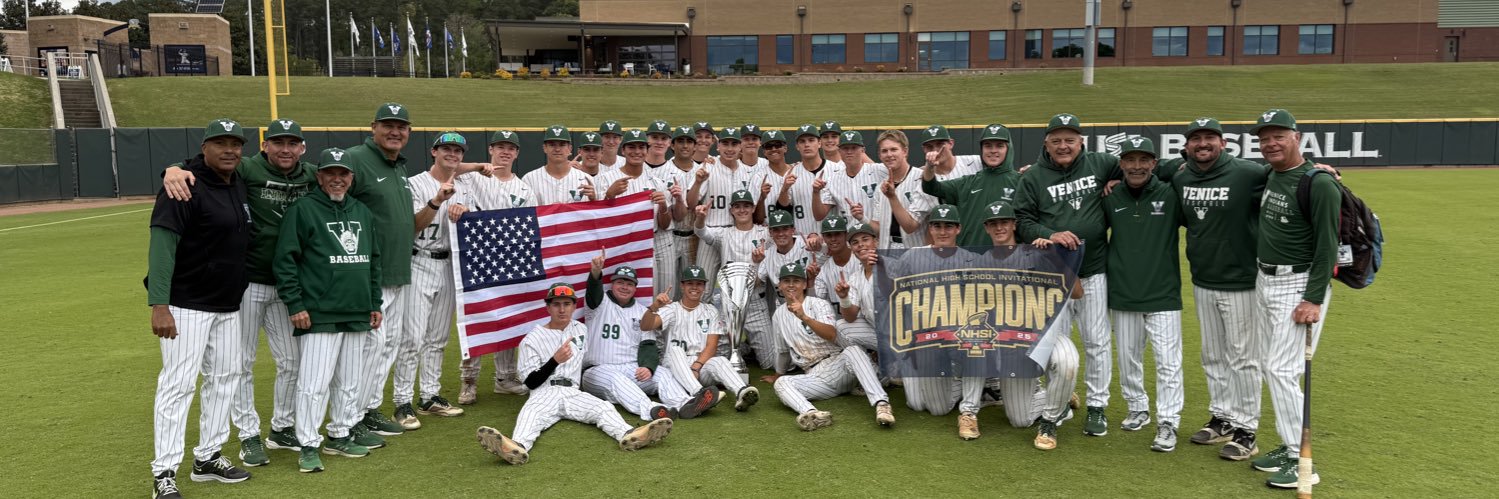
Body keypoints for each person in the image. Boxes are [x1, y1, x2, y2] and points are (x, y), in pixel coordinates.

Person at [159, 118, 315, 466]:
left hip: (288, 283)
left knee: (291, 361)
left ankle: (282, 427)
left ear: (302, 147)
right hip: (246, 283)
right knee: (240, 362)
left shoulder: (312, 175)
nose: (285, 149)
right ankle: (248, 435)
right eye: (278, 142)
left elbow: (344, 176)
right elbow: (205, 162)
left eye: (293, 143)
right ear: (265, 146)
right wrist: (172, 168)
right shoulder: (247, 167)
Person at [147, 119, 254, 498]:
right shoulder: (183, 185)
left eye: (236, 143)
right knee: (177, 385)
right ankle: (164, 472)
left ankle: (207, 456)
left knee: (225, 379)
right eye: (220, 143)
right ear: (204, 148)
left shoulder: (237, 181)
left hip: (228, 303)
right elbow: (162, 246)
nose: (230, 150)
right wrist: (159, 304)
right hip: (186, 303)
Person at [1160, 117, 1271, 460]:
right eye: (1196, 139)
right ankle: (1222, 417)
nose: (1203, 144)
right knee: (1212, 355)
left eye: (1210, 138)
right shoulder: (1180, 173)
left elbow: (1290, 173)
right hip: (1203, 277)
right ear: (1187, 145)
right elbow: (1152, 168)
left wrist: (1321, 168)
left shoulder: (1248, 172)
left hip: (1241, 280)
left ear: (1223, 143)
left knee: (1243, 357)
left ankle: (1247, 429)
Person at [474, 283, 674, 465]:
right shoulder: (532, 339)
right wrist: (554, 361)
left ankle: (630, 435)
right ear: (548, 307)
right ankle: (516, 447)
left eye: (567, 304)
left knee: (603, 408)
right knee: (531, 414)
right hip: (545, 392)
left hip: (573, 392)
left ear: (573, 306)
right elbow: (531, 382)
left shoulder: (581, 330)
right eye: (556, 304)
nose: (562, 309)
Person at [273, 147, 385, 473]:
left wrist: (374, 302)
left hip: (356, 309)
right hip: (319, 311)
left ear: (351, 178)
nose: (337, 179)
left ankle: (340, 432)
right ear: (319, 176)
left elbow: (372, 260)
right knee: (314, 383)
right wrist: (295, 304)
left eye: (343, 174)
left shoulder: (361, 211)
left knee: (349, 379)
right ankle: (308, 443)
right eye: (330, 173)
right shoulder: (303, 210)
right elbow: (285, 260)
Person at [1014, 113, 1121, 438]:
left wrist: (1116, 181)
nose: (1064, 146)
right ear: (1046, 143)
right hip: (1054, 275)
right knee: (1053, 346)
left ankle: (1098, 406)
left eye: (1070, 140)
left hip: (1093, 271)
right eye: (1057, 140)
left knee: (1097, 341)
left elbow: (1140, 170)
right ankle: (1057, 404)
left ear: (1081, 142)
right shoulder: (1033, 177)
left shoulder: (1101, 163)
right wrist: (1050, 232)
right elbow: (1022, 219)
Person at [1249, 109, 1338, 489]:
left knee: (1281, 370)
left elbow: (1327, 247)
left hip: (1298, 283)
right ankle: (1288, 448)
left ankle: (1302, 460)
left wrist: (1313, 299)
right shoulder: (1272, 173)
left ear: (1296, 137)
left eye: (1278, 136)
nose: (1270, 143)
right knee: (1276, 367)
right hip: (1264, 279)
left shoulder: (1319, 184)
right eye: (1264, 138)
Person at [973, 201, 1082, 450]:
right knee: (1020, 420)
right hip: (1012, 343)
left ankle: (1050, 422)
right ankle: (1060, 398)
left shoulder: (1037, 252)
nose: (999, 227)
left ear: (1014, 224)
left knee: (1068, 362)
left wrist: (1053, 259)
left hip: (1044, 334)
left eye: (1004, 222)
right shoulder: (980, 263)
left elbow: (1076, 293)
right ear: (986, 228)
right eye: (993, 223)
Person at [342, 103, 419, 440]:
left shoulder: (398, 165)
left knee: (388, 346)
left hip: (398, 270)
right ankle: (349, 417)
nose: (395, 131)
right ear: (372, 127)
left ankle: (370, 408)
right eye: (388, 125)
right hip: (368, 274)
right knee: (367, 348)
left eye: (401, 126)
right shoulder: (355, 158)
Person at [1103, 137, 1184, 452]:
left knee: (1168, 362)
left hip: (1163, 293)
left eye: (1144, 160)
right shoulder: (1109, 197)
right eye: (1130, 160)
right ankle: (1137, 407)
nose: (1136, 166)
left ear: (1154, 163)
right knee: (1128, 357)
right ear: (1121, 164)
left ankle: (1168, 421)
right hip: (1123, 291)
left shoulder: (1170, 193)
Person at [391, 132, 471, 431]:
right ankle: (402, 400)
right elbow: (411, 226)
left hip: (449, 265)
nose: (453, 154)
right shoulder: (414, 183)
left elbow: (471, 227)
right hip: (419, 261)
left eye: (458, 150)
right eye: (447, 148)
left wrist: (465, 211)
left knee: (438, 338)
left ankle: (429, 396)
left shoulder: (465, 187)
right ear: (434, 151)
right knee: (411, 338)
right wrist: (437, 201)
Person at [458, 130, 537, 404]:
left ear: (517, 153)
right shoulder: (472, 176)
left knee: (508, 318)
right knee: (476, 319)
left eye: (510, 148)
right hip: (476, 258)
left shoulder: (525, 187)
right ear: (490, 149)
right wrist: (478, 166)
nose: (505, 151)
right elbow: (449, 168)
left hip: (511, 260)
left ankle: (505, 377)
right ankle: (469, 380)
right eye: (500, 146)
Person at [769, 262, 895, 431]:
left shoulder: (818, 304)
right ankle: (813, 414)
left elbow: (832, 334)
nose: (791, 285)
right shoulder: (778, 315)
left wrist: (804, 317)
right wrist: (778, 374)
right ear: (780, 285)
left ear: (805, 284)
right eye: (786, 281)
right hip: (816, 376)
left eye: (796, 280)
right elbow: (782, 350)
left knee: (853, 350)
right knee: (782, 384)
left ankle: (882, 403)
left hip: (839, 364)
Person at [641, 265, 758, 416]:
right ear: (682, 286)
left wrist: (696, 367)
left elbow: (711, 346)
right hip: (675, 366)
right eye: (690, 283)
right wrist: (655, 306)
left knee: (720, 360)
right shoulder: (671, 308)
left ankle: (741, 391)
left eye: (699, 284)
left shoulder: (710, 310)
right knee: (675, 350)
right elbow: (645, 326)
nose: (695, 287)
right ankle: (699, 393)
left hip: (699, 364)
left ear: (704, 287)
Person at [580, 260, 672, 422]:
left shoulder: (643, 311)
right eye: (620, 282)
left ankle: (684, 403)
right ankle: (650, 410)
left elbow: (648, 344)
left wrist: (648, 367)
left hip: (630, 369)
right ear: (612, 284)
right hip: (596, 370)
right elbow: (593, 290)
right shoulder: (598, 304)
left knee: (663, 373)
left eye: (629, 284)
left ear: (635, 288)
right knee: (616, 379)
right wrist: (595, 273)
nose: (624, 287)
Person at [694, 190, 774, 366]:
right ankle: (741, 348)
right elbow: (701, 232)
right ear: (731, 210)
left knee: (770, 362)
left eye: (746, 206)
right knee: (721, 357)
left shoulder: (765, 234)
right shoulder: (724, 233)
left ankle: (745, 347)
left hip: (755, 303)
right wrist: (700, 217)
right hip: (729, 303)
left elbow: (786, 239)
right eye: (737, 206)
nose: (742, 210)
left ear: (753, 208)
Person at [919, 123, 1020, 247]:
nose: (993, 150)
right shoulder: (967, 182)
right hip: (970, 258)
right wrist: (930, 167)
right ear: (982, 149)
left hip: (1006, 258)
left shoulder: (1020, 181)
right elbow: (931, 187)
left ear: (1008, 149)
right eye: (988, 146)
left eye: (999, 146)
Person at [687, 126, 762, 287]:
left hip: (737, 236)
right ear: (718, 146)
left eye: (734, 144)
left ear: (740, 146)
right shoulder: (708, 167)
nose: (729, 149)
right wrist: (698, 182)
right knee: (704, 289)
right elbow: (691, 203)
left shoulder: (748, 173)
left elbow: (753, 209)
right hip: (710, 232)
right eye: (725, 144)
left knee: (736, 287)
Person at [813, 131, 890, 248]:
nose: (849, 152)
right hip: (851, 243)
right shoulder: (832, 179)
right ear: (839, 151)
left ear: (862, 150)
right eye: (845, 148)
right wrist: (815, 193)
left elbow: (905, 172)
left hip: (879, 240)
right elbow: (819, 215)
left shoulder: (879, 170)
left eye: (854, 148)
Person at [766, 124, 830, 237]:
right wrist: (784, 189)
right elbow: (783, 209)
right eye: (802, 141)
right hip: (802, 239)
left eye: (811, 140)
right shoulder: (791, 174)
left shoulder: (836, 170)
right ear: (797, 146)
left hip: (832, 237)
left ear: (819, 143)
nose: (807, 145)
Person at [874, 129, 933, 249]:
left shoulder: (921, 180)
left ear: (905, 151)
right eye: (884, 151)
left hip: (915, 250)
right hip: (887, 251)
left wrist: (892, 196)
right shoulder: (880, 187)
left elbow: (910, 227)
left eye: (894, 149)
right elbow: (880, 228)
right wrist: (862, 217)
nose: (889, 154)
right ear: (880, 155)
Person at [523, 125, 597, 204]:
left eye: (562, 145)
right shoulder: (529, 180)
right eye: (552, 145)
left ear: (570, 148)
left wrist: (593, 201)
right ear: (544, 148)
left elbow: (596, 213)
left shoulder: (586, 179)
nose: (557, 149)